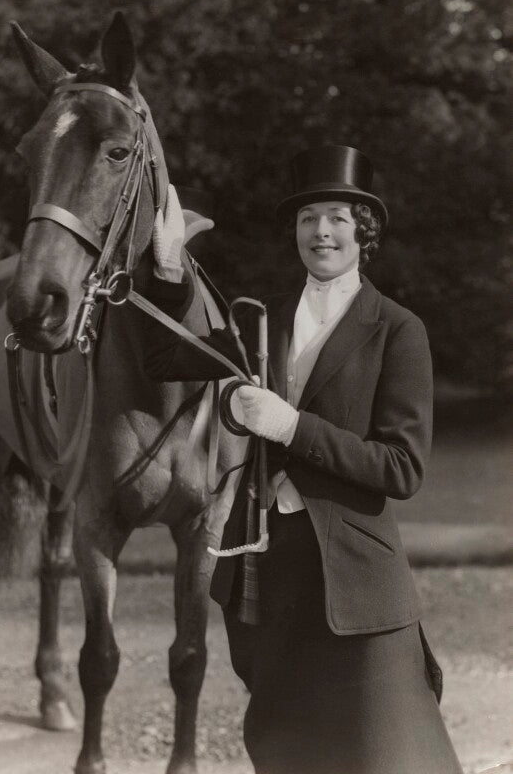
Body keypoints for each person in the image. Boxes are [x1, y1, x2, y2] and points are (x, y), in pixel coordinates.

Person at [144, 145, 463, 774]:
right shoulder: (259, 317)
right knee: (286, 748)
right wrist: (168, 269)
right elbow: (163, 359)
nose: (321, 231)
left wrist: (291, 427)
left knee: (386, 751)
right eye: (308, 218)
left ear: (363, 233)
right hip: (266, 569)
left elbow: (402, 468)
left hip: (358, 580)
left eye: (338, 218)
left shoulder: (398, 330)